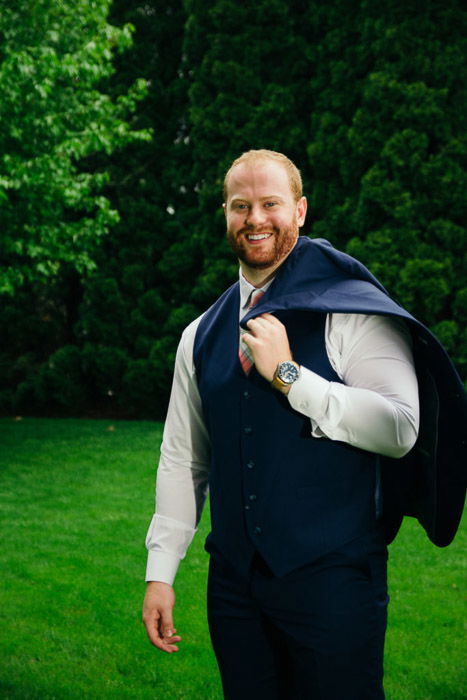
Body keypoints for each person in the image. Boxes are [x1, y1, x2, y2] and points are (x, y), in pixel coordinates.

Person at [142, 150, 465, 699]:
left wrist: (293, 378)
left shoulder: (354, 310)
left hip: (334, 583)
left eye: (271, 203)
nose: (255, 219)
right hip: (235, 590)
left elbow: (400, 427)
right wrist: (160, 571)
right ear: (225, 213)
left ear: (301, 210)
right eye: (240, 206)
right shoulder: (198, 334)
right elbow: (185, 456)